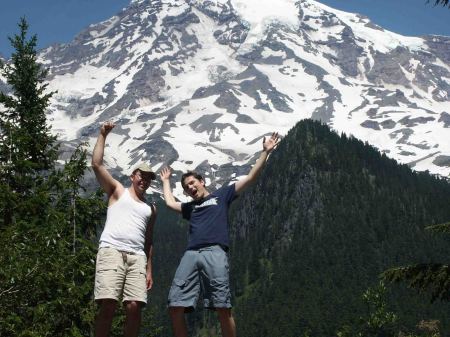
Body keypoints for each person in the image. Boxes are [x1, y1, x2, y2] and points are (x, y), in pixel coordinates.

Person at [160, 132, 280, 337]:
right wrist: (166, 180)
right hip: (190, 254)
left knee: (223, 306)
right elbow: (170, 203)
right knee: (175, 306)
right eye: (186, 187)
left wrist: (265, 153)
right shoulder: (190, 208)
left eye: (192, 183)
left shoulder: (222, 195)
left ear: (202, 181)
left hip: (215, 252)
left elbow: (251, 177)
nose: (190, 188)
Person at [91, 121, 157, 337]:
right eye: (141, 176)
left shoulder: (151, 208)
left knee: (134, 307)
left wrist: (149, 269)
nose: (144, 181)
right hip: (111, 251)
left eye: (148, 178)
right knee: (108, 304)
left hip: (137, 257)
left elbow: (149, 240)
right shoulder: (118, 191)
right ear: (132, 176)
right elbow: (97, 165)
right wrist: (103, 135)